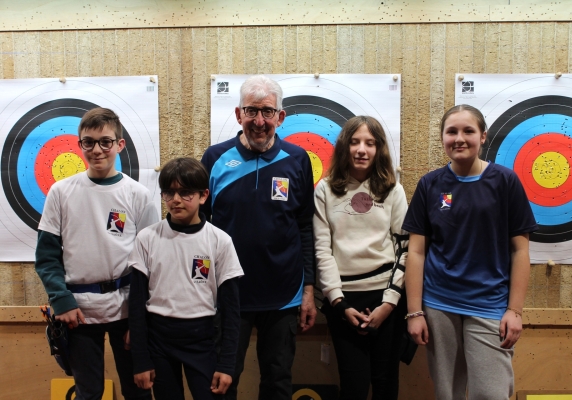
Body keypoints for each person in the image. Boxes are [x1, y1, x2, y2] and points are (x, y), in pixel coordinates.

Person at [402, 104, 538, 400]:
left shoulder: (505, 181)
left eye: (468, 131)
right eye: (451, 131)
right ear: (442, 138)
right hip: (439, 304)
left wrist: (514, 311)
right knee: (447, 393)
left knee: (490, 394)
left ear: (483, 136)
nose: (459, 138)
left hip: (490, 305)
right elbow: (416, 253)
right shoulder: (430, 184)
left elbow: (520, 251)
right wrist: (414, 312)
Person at [200, 75, 317, 400]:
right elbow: (198, 229)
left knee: (278, 382)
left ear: (281, 116)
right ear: (239, 114)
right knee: (223, 382)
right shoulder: (214, 159)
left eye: (268, 112)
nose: (260, 121)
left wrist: (308, 291)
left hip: (284, 294)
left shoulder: (297, 160)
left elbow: (305, 226)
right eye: (252, 111)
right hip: (228, 294)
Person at [35, 107, 158, 400]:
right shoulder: (61, 193)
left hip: (127, 308)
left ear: (119, 144)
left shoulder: (137, 194)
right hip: (77, 311)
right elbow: (47, 256)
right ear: (79, 145)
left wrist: (142, 320)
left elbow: (152, 262)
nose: (97, 149)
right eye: (88, 142)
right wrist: (61, 301)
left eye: (105, 141)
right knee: (89, 392)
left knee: (138, 390)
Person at [127, 157, 244, 400]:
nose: (176, 200)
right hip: (159, 340)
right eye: (169, 192)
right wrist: (140, 359)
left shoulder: (220, 241)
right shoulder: (147, 239)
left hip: (203, 340)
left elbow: (232, 311)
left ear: (203, 196)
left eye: (186, 192)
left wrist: (226, 364)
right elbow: (136, 305)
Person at [314, 115, 409, 400]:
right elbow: (322, 250)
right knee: (353, 385)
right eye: (354, 142)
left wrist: (389, 304)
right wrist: (339, 302)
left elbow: (405, 248)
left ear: (379, 149)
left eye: (370, 143)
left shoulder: (393, 189)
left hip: (386, 300)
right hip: (343, 301)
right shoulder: (326, 189)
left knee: (385, 382)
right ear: (344, 147)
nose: (361, 150)